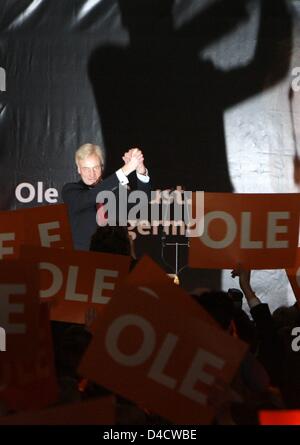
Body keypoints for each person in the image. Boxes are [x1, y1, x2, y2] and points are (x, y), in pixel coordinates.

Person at [62, 143, 150, 251]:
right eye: (86, 169)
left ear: (102, 167)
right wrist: (125, 170)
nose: (91, 174)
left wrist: (140, 170)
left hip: (114, 259)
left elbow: (142, 203)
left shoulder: (115, 190)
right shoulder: (71, 191)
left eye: (96, 168)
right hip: (84, 260)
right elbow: (90, 197)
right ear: (79, 169)